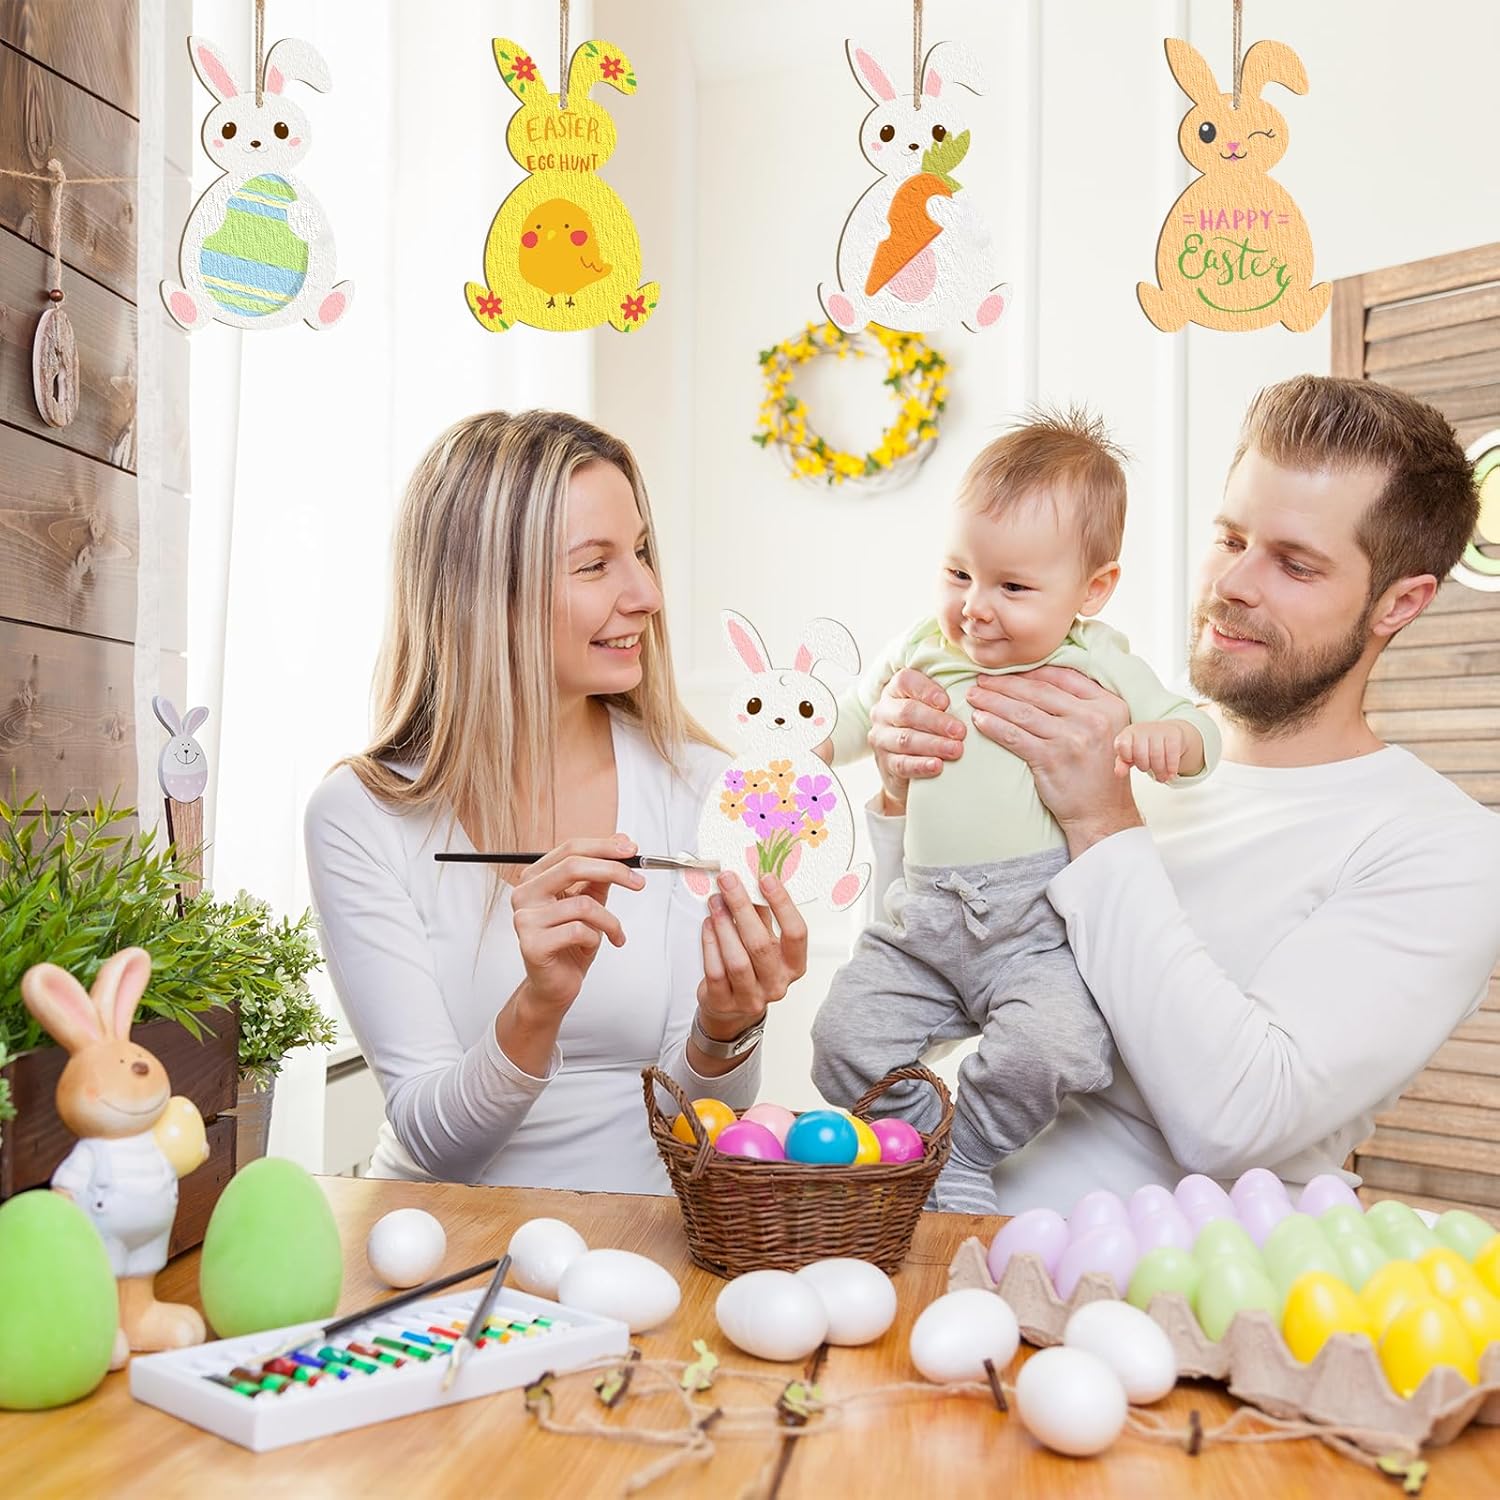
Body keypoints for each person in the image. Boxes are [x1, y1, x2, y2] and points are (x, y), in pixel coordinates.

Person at [857, 375, 1500, 1212]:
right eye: (1231, 538)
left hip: (1173, 1293)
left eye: (1296, 565)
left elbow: (1233, 1120)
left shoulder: (1442, 849)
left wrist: (1099, 819)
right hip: (952, 1225)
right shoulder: (1100, 727)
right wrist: (904, 795)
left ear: (1400, 602)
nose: (1236, 584)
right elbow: (933, 994)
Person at [304, 410, 807, 1192]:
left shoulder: (699, 786)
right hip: (443, 1243)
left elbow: (701, 1121)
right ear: (485, 597)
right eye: (594, 565)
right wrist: (538, 1004)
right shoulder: (360, 816)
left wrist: (727, 1024)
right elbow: (437, 1150)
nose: (647, 593)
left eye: (639, 552)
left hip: (650, 1235)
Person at [810, 410, 1220, 1213]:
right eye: (960, 574)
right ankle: (921, 1139)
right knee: (841, 1041)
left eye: (1014, 587)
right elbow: (854, 724)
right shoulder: (925, 642)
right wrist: (798, 756)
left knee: (1060, 1046)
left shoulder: (1095, 658)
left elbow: (1201, 729)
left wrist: (1173, 737)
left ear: (1091, 590)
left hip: (1034, 932)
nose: (976, 609)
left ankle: (966, 1154)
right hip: (921, 925)